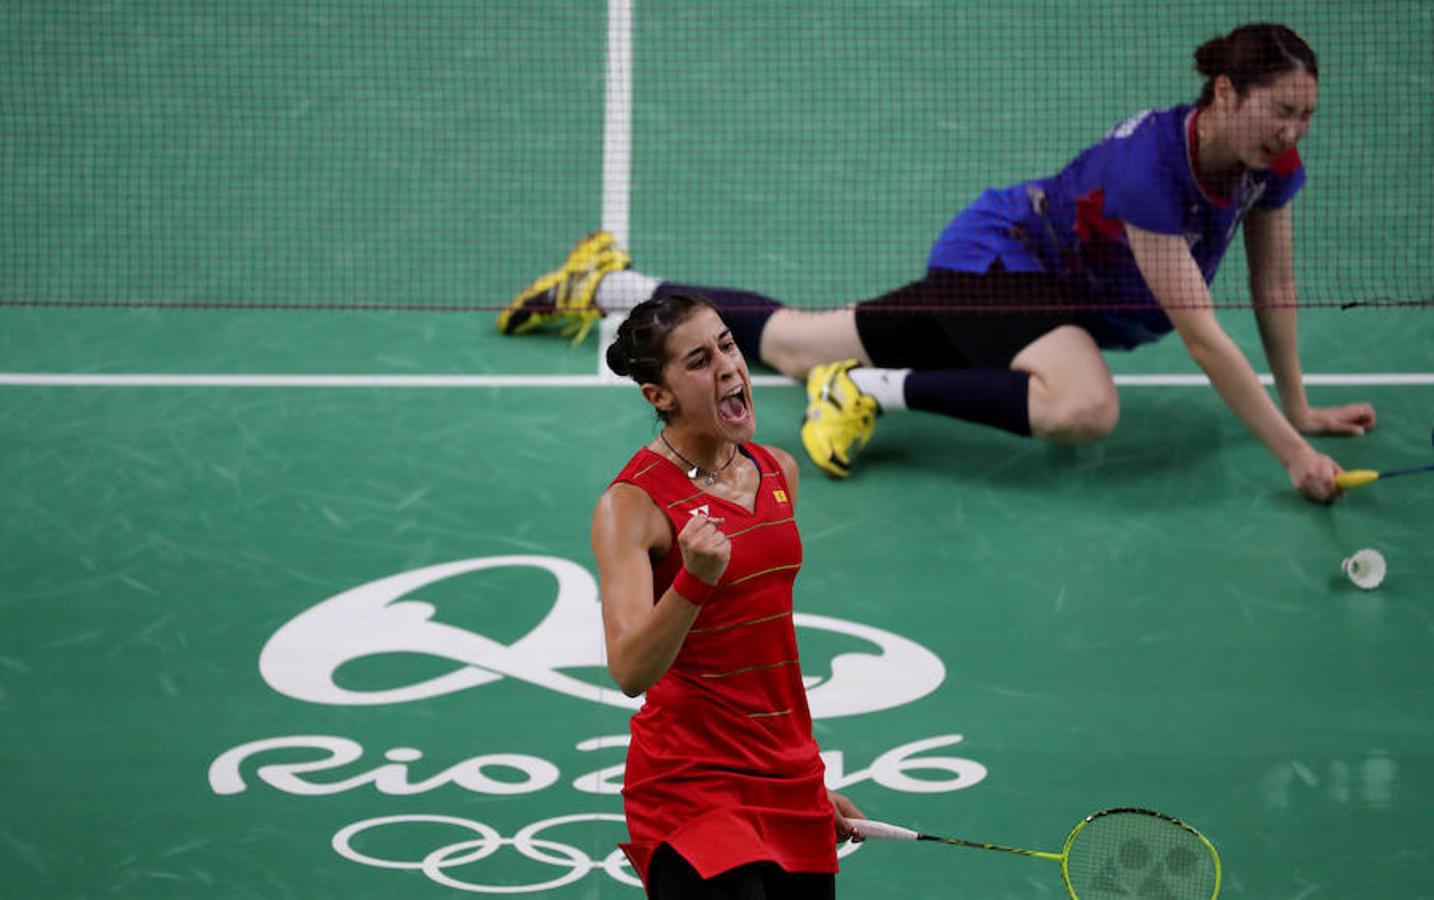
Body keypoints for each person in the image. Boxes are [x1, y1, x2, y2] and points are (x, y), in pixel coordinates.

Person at [500, 23, 1376, 503]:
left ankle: (612, 282)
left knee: (801, 341)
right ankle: (866, 389)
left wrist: (1301, 404)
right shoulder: (1152, 172)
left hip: (1031, 287)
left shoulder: (1271, 169)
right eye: (1281, 110)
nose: (1295, 132)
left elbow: (1275, 285)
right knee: (1083, 405)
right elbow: (1205, 339)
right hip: (1001, 267)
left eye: (1307, 115)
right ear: (1226, 94)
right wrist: (1291, 452)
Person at [592, 291, 865, 898]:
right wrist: (693, 580)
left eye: (727, 345)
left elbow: (759, 639)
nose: (727, 367)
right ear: (657, 396)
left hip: (786, 770)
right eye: (697, 361)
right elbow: (630, 668)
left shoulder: (778, 471)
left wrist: (807, 784)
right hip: (690, 782)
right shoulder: (631, 506)